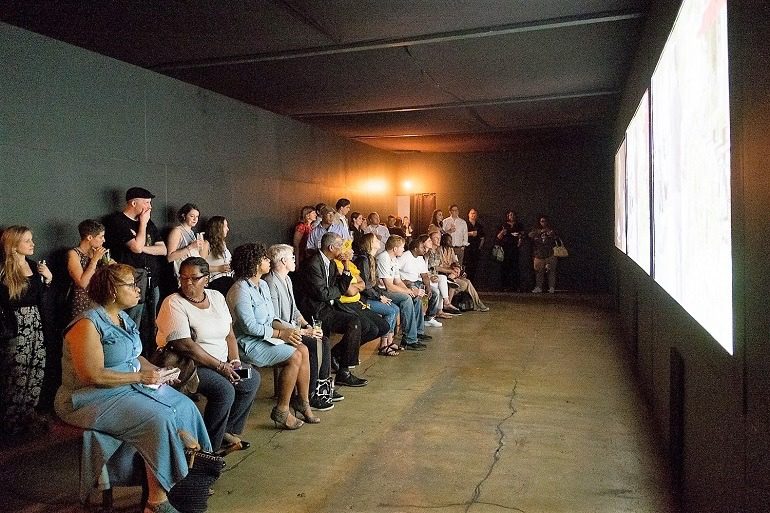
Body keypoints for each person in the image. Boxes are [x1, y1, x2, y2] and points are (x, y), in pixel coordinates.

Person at [54, 264, 211, 513]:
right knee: (159, 418)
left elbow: (134, 357)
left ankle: (188, 478)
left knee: (185, 406)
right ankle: (156, 502)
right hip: (89, 398)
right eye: (131, 284)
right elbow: (91, 375)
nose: (138, 289)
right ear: (112, 290)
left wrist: (158, 373)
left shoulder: (123, 318)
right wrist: (140, 377)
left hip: (126, 387)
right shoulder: (86, 324)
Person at [156, 257, 260, 454]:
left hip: (223, 362)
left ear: (207, 278)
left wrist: (235, 361)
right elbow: (185, 346)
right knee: (224, 390)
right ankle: (208, 447)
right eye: (183, 277)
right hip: (190, 366)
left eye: (194, 278)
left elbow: (229, 334)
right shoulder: (173, 303)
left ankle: (226, 431)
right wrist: (221, 367)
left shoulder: (216, 297)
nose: (187, 283)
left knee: (251, 379)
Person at [226, 243, 318, 429]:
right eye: (264, 258)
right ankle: (282, 410)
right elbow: (249, 326)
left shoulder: (262, 285)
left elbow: (272, 318)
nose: (268, 261)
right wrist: (280, 334)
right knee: (295, 355)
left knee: (303, 348)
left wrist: (292, 331)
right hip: (245, 344)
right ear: (254, 263)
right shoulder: (240, 289)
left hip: (264, 338)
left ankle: (303, 402)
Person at [263, 244, 335, 410]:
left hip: (294, 328)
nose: (295, 260)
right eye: (292, 258)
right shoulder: (270, 282)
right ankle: (308, 395)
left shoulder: (287, 279)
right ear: (283, 261)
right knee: (313, 343)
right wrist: (303, 331)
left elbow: (294, 310)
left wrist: (308, 325)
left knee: (323, 340)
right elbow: (275, 318)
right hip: (282, 333)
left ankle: (321, 388)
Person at [294, 232, 368, 387]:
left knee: (354, 322)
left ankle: (344, 371)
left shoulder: (332, 263)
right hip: (313, 312)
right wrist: (338, 290)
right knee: (350, 323)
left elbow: (340, 285)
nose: (343, 248)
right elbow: (323, 294)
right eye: (340, 245)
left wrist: (347, 264)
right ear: (331, 247)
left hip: (327, 308)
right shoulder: (313, 263)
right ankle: (326, 379)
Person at [0, 226, 52, 437]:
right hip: (15, 328)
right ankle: (9, 424)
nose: (32, 244)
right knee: (16, 376)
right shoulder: (4, 270)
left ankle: (26, 420)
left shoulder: (34, 266)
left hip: (36, 326)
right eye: (27, 240)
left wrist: (47, 279)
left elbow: (39, 297)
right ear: (14, 246)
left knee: (36, 371)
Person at [103, 187, 167, 353]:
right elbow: (136, 248)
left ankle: (148, 355)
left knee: (151, 323)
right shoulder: (117, 221)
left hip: (152, 281)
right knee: (132, 320)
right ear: (133, 203)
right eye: (146, 202)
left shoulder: (148, 222)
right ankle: (129, 354)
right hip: (130, 282)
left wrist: (143, 245)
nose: (150, 207)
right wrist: (143, 225)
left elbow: (163, 249)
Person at [377, 235, 429, 351]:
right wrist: (408, 291)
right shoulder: (384, 258)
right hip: (380, 291)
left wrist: (411, 291)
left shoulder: (394, 259)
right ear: (395, 249)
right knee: (406, 299)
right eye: (402, 247)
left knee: (415, 297)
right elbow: (389, 287)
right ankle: (410, 339)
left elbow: (398, 281)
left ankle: (415, 333)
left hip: (388, 289)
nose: (403, 249)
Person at [67, 219, 109, 320]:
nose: (104, 240)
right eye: (101, 237)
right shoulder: (74, 254)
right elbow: (82, 283)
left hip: (99, 301)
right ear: (89, 237)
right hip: (81, 303)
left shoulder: (97, 253)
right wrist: (94, 260)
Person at [438, 233, 490, 311]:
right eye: (449, 240)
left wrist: (457, 268)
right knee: (462, 284)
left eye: (451, 240)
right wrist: (451, 270)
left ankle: (478, 304)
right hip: (445, 274)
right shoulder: (439, 250)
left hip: (452, 273)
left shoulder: (451, 249)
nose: (450, 241)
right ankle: (447, 303)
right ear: (444, 240)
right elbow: (440, 266)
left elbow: (455, 261)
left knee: (468, 282)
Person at [166, 203, 209, 280]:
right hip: (183, 274)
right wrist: (190, 247)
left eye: (197, 217)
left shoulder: (192, 232)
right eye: (192, 216)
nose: (195, 219)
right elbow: (170, 257)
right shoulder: (177, 231)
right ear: (184, 216)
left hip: (194, 272)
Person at [529, 215, 559, 293]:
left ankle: (551, 287)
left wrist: (552, 235)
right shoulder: (535, 230)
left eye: (545, 221)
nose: (543, 223)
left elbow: (557, 240)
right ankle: (539, 287)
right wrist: (540, 232)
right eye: (542, 221)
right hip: (539, 254)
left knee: (551, 271)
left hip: (550, 254)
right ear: (539, 222)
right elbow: (529, 235)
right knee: (539, 272)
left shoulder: (551, 230)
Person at [204, 216, 234, 295]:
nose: (228, 229)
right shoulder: (206, 244)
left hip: (228, 280)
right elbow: (199, 266)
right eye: (225, 226)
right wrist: (218, 268)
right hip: (216, 282)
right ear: (218, 228)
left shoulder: (223, 244)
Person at [496, 210, 525, 291]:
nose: (511, 216)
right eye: (510, 215)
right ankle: (505, 286)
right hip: (505, 248)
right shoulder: (504, 225)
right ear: (507, 216)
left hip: (515, 248)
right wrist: (503, 232)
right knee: (505, 267)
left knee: (515, 267)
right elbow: (498, 237)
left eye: (513, 215)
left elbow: (522, 235)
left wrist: (519, 237)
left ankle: (515, 286)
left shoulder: (519, 225)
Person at [465, 208, 485, 282]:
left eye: (474, 213)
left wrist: (479, 247)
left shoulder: (479, 226)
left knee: (474, 266)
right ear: (468, 214)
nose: (473, 215)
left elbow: (482, 238)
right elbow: (461, 235)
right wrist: (470, 233)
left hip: (475, 249)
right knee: (467, 266)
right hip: (467, 248)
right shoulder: (465, 224)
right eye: (472, 213)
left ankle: (472, 283)